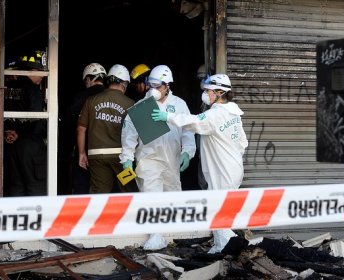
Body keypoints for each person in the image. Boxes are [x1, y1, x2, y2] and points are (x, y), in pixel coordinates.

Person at [151, 73, 248, 253]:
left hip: (223, 170)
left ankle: (229, 246)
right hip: (233, 167)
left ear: (219, 92)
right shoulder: (234, 112)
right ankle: (221, 245)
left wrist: (168, 116)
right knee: (223, 208)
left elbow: (193, 121)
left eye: (208, 91)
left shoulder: (215, 115)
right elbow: (243, 142)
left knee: (220, 209)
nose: (205, 94)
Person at [120, 65, 196, 250]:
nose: (153, 90)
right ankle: (155, 236)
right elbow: (129, 136)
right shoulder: (141, 107)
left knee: (173, 198)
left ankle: (172, 236)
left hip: (172, 158)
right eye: (150, 85)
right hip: (148, 159)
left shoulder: (179, 105)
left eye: (158, 86)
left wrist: (187, 152)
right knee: (151, 197)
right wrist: (127, 159)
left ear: (168, 85)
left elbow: (188, 132)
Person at [76, 64, 138, 194]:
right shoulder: (131, 104)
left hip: (97, 156)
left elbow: (81, 129)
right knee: (128, 191)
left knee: (99, 194)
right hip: (122, 158)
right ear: (124, 83)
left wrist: (82, 153)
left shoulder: (91, 100)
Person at [58, 63, 107, 195]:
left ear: (88, 79)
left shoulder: (80, 98)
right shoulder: (112, 98)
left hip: (83, 151)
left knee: (82, 188)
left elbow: (69, 125)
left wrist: (67, 151)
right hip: (109, 152)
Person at [3, 51, 48, 197]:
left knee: (15, 187)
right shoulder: (33, 90)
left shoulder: (8, 89)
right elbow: (35, 117)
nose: (42, 76)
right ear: (31, 71)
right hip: (30, 146)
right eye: (41, 72)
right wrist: (19, 133)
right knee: (36, 188)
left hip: (10, 145)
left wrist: (8, 132)